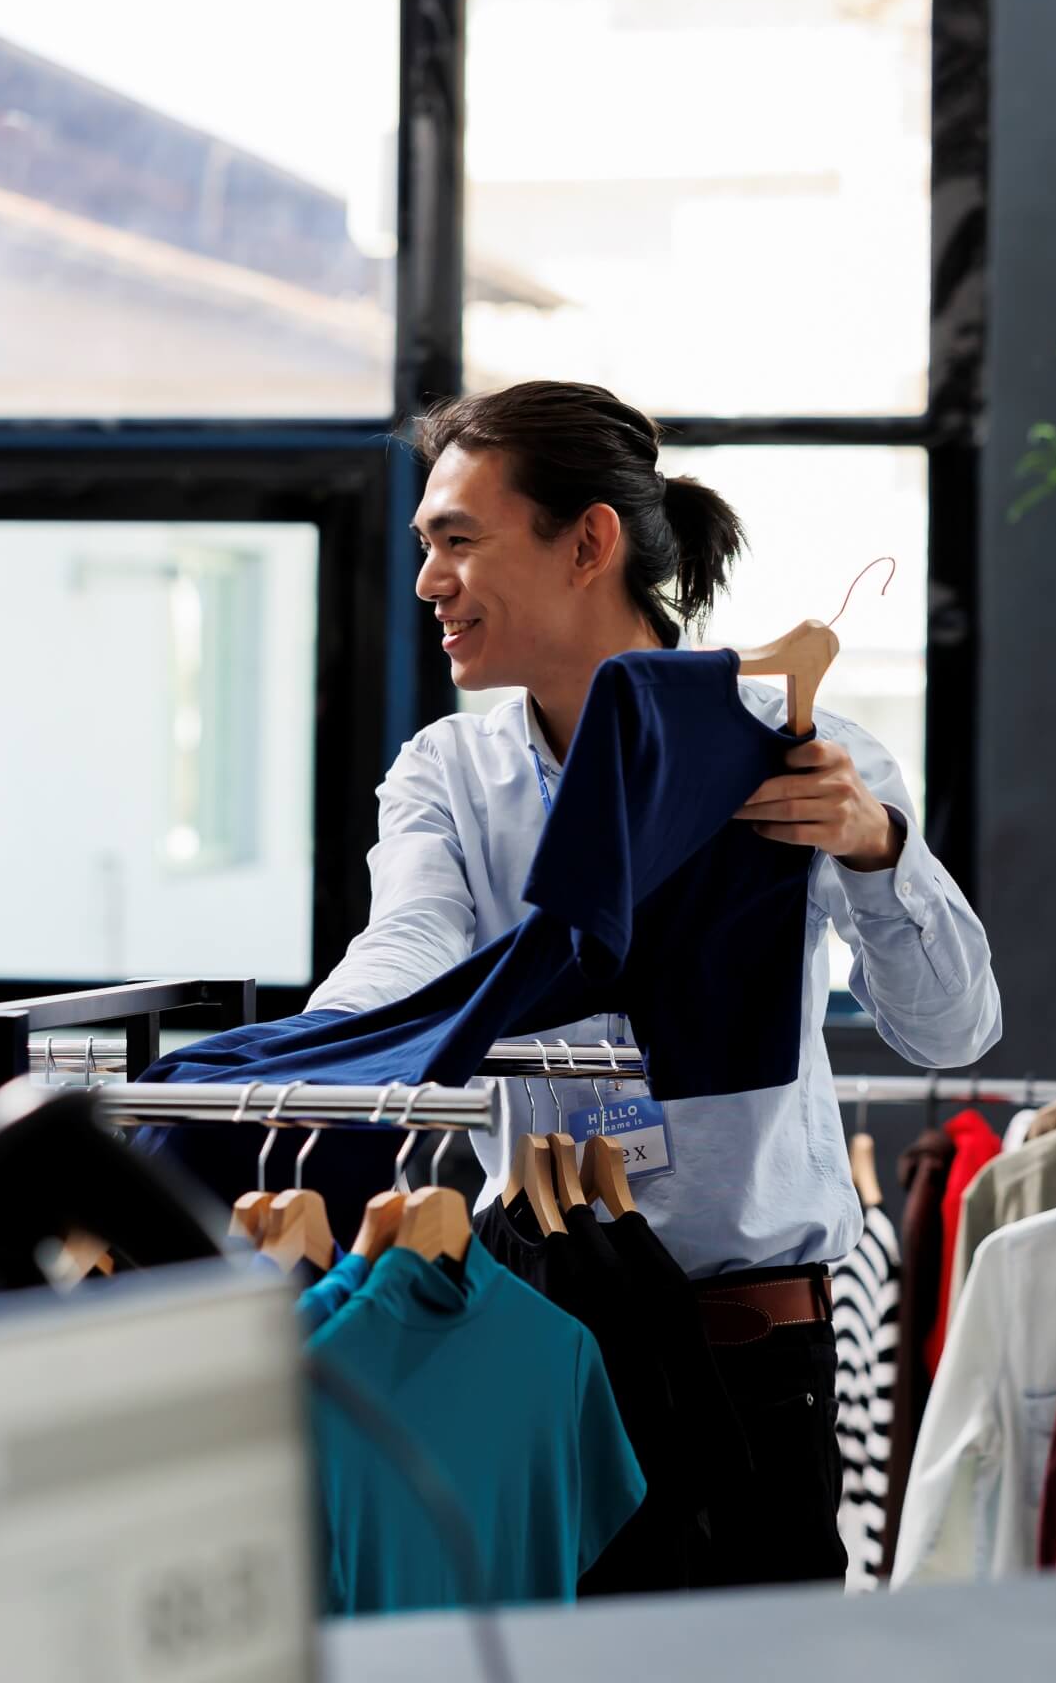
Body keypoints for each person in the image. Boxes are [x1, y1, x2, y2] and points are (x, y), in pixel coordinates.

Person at [309, 380, 1001, 1585]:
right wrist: (281, 1063)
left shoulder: (801, 745)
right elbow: (404, 952)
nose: (429, 581)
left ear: (589, 542)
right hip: (525, 1347)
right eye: (426, 546)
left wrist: (875, 845)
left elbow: (956, 1026)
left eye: (458, 540)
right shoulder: (448, 774)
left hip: (753, 1360)